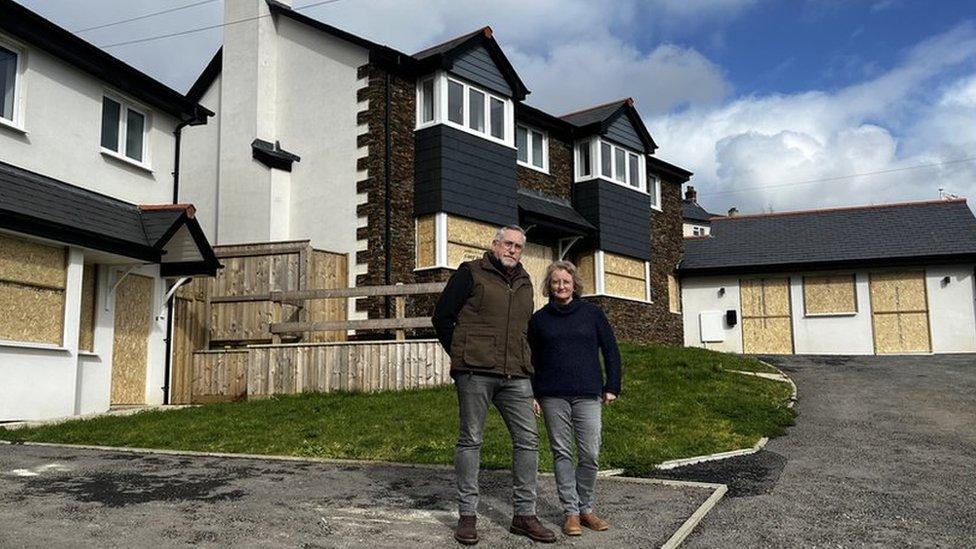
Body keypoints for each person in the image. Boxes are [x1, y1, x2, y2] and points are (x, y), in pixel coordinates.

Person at [432, 225, 557, 545]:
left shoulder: (526, 281)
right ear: (495, 245)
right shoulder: (470, 273)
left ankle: (524, 515)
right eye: (508, 244)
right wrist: (463, 354)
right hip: (474, 372)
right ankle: (468, 516)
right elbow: (442, 317)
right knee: (471, 439)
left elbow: (526, 331)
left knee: (528, 440)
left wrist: (530, 369)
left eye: (518, 246)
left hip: (516, 374)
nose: (513, 250)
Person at [528, 260, 621, 536]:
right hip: (552, 395)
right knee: (562, 453)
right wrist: (532, 392)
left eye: (566, 281)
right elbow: (529, 358)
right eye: (556, 282)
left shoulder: (592, 314)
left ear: (574, 285)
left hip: (588, 394)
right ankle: (570, 512)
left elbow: (611, 351)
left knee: (590, 453)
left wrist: (612, 385)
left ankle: (587, 509)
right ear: (549, 286)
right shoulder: (539, 319)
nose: (561, 286)